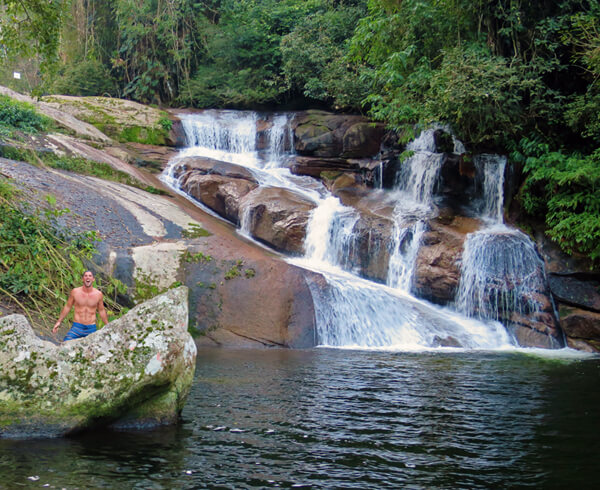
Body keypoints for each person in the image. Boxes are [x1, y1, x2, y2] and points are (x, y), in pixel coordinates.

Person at [52, 270, 109, 341]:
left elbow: (101, 310)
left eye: (90, 276)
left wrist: (107, 325)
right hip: (77, 327)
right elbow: (68, 307)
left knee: (93, 348)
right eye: (85, 276)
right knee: (66, 342)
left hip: (91, 328)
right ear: (82, 279)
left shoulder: (98, 294)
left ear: (93, 279)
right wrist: (59, 321)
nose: (87, 278)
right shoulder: (75, 292)